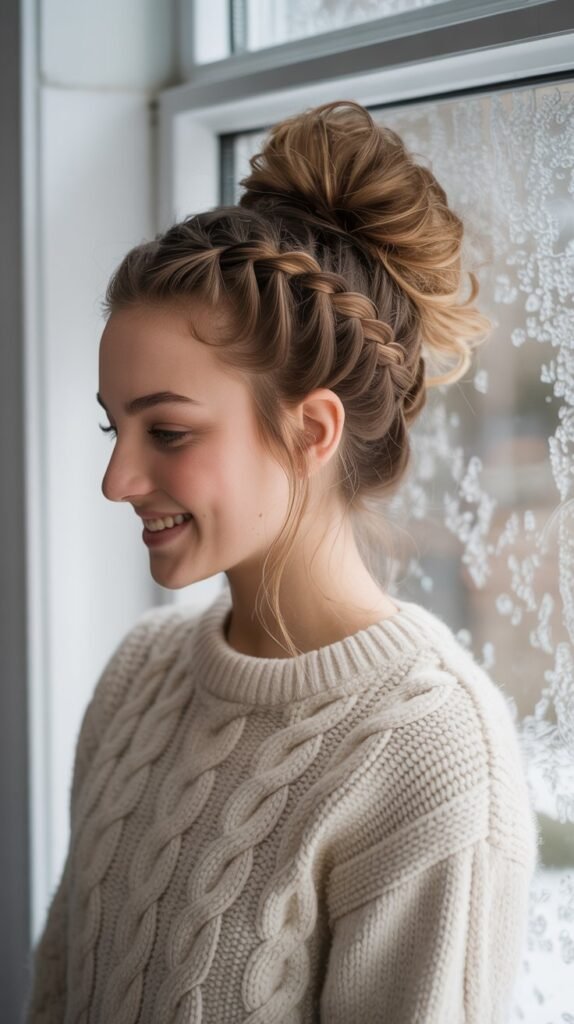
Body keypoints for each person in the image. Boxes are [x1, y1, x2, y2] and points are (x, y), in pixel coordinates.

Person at [25, 100, 539, 1023]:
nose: (116, 480)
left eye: (167, 429)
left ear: (311, 430)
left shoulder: (430, 756)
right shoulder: (137, 678)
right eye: (115, 427)